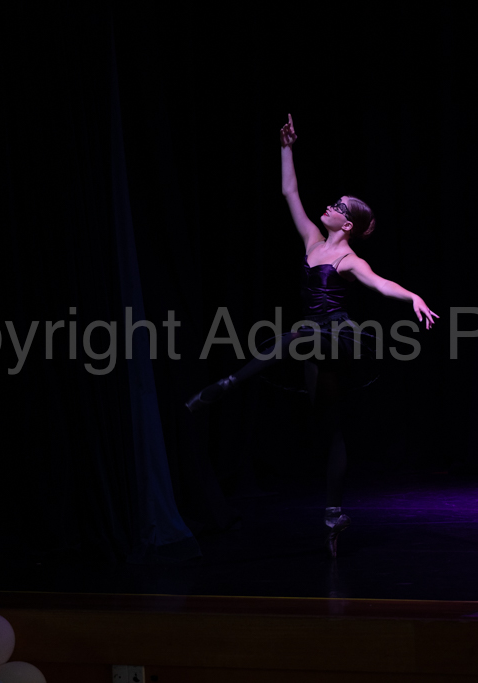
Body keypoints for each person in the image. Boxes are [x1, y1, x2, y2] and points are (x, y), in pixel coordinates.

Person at [185, 114, 438, 557]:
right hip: (310, 339)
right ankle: (334, 513)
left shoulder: (350, 260)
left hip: (339, 337)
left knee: (297, 334)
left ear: (347, 225)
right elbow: (290, 193)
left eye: (339, 207)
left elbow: (380, 284)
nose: (331, 207)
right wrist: (286, 147)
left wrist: (412, 295)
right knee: (330, 425)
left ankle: (224, 385)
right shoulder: (312, 240)